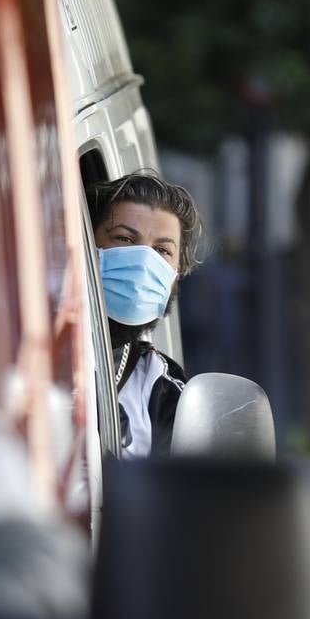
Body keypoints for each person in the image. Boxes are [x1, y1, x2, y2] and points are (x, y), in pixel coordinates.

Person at [86, 170, 206, 458]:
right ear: (89, 247)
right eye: (125, 239)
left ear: (176, 276)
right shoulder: (27, 343)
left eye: (162, 250)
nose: (143, 261)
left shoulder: (164, 393)